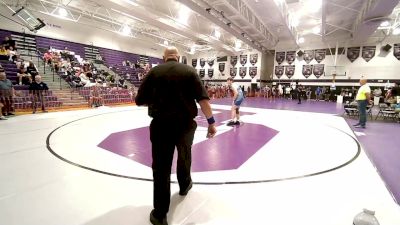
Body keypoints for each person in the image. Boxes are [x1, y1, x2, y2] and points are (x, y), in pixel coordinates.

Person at [135, 47, 216, 225]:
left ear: (164, 58)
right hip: (185, 125)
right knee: (185, 154)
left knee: (161, 167)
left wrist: (158, 99)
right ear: (178, 58)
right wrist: (211, 122)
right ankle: (185, 184)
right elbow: (203, 100)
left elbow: (139, 100)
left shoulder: (154, 72)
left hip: (160, 125)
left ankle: (160, 213)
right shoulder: (190, 71)